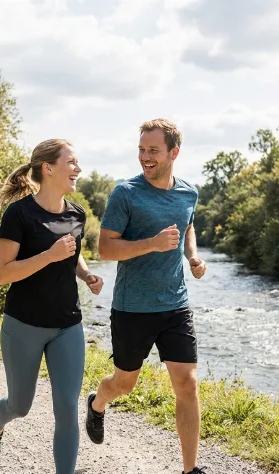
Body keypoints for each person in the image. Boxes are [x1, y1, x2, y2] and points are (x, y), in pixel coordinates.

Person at [84, 119, 208, 474]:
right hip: (133, 307)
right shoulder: (126, 193)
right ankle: (97, 403)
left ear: (174, 153)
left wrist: (193, 257)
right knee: (124, 383)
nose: (145, 157)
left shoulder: (189, 192)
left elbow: (187, 227)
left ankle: (190, 470)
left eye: (153, 150)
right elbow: (105, 248)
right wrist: (152, 244)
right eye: (141, 149)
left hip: (175, 304)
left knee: (187, 383)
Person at [0, 138, 104, 474]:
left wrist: (87, 274)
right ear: (49, 168)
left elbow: (73, 257)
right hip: (24, 326)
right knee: (20, 406)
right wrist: (48, 255)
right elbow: (3, 273)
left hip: (67, 325)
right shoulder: (19, 214)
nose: (78, 169)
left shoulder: (77, 213)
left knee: (66, 407)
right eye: (72, 162)